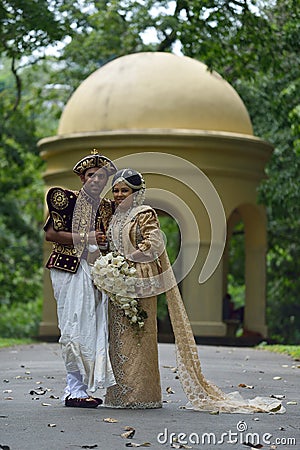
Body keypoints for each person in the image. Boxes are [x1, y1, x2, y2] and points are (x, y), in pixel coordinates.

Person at [94, 168, 285, 413]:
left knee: (139, 334)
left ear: (136, 193)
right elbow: (111, 245)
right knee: (118, 337)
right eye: (117, 190)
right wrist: (108, 260)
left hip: (139, 279)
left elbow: (154, 242)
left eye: (125, 190)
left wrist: (129, 257)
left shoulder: (144, 213)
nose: (119, 194)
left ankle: (142, 395)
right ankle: (119, 394)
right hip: (117, 282)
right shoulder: (114, 217)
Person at [44, 150, 117, 408]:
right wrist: (85, 238)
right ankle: (73, 389)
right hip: (68, 268)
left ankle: (85, 389)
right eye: (91, 175)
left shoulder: (109, 206)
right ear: (82, 178)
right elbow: (51, 235)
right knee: (73, 327)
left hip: (96, 272)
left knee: (93, 329)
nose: (96, 180)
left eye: (101, 176)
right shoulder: (67, 200)